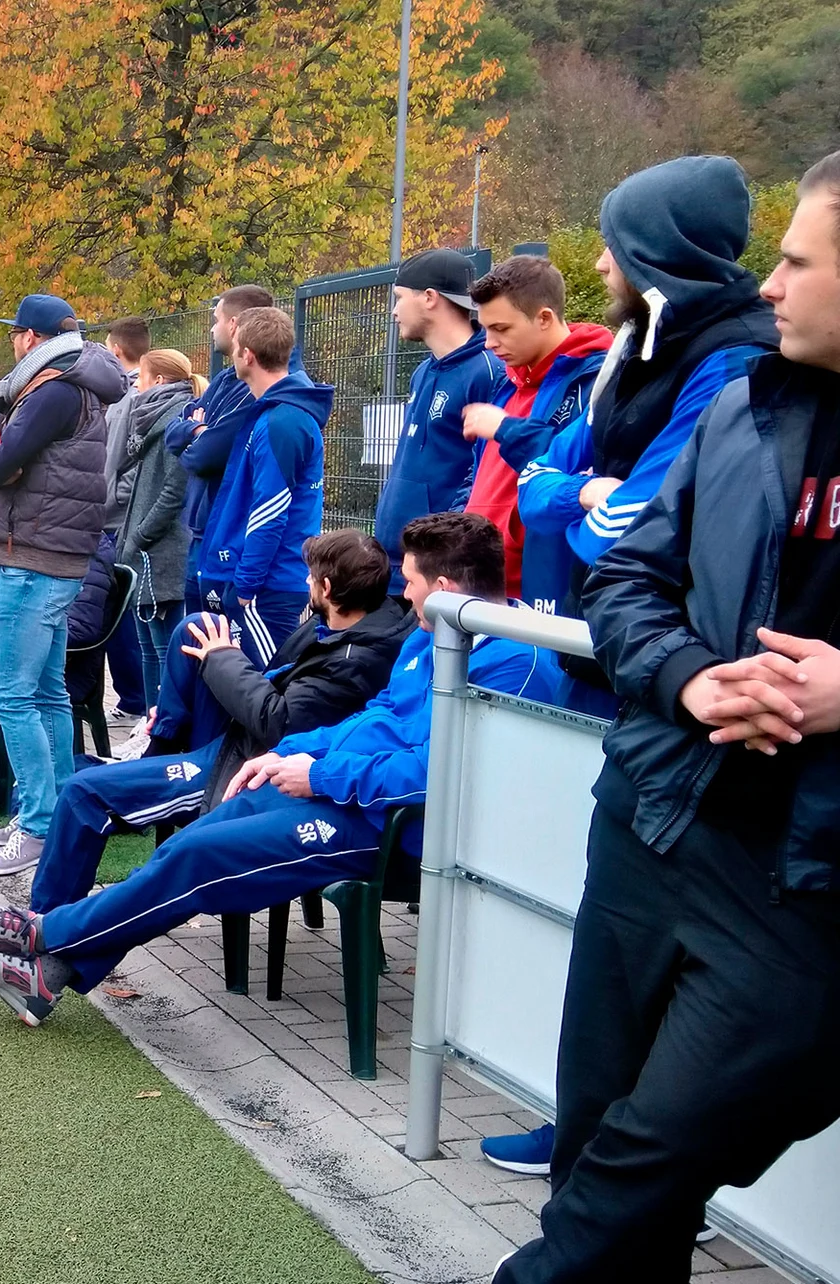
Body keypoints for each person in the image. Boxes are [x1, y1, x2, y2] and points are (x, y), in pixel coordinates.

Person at [492, 151, 840, 1284]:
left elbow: (588, 510)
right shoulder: (750, 405)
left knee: (644, 1165)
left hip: (801, 884)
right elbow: (627, 577)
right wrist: (691, 678)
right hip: (652, 814)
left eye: (796, 261)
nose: (770, 286)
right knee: (597, 1139)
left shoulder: (722, 369)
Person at [0, 512, 559, 1026]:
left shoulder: (512, 661)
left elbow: (439, 774)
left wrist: (319, 775)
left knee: (199, 859)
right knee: (197, 838)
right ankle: (48, 972)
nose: (404, 596)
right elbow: (375, 719)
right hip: (348, 793)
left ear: (448, 585)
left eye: (412, 583)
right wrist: (297, 755)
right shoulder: (439, 630)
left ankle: (40, 938)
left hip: (400, 828)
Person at [0, 529, 410, 878]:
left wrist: (224, 659)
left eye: (311, 578)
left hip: (249, 765)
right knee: (198, 627)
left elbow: (280, 722)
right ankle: (159, 738)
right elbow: (274, 690)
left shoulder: (357, 656)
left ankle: (50, 925)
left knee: (81, 789)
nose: (305, 583)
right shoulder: (329, 625)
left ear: (328, 588)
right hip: (237, 743)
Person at [514, 154, 779, 718]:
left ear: (656, 253)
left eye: (615, 244)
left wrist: (581, 503)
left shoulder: (735, 357)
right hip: (602, 644)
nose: (601, 263)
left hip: (672, 664)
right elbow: (535, 481)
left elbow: (631, 527)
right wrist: (582, 491)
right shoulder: (633, 344)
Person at [0, 294, 128, 872]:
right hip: (51, 555)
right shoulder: (78, 386)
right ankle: (57, 815)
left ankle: (36, 827)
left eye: (15, 333)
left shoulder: (53, 390)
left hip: (33, 556)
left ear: (30, 339)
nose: (12, 342)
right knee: (47, 693)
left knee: (11, 693)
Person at [457, 257, 612, 607]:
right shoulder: (508, 383)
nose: (489, 343)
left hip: (540, 589)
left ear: (544, 318)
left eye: (501, 329)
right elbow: (482, 476)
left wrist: (506, 429)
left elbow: (574, 465)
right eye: (485, 329)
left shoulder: (596, 382)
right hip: (480, 581)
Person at [0, 541, 120, 815]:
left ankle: (13, 769)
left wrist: (5, 644)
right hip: (17, 656)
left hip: (56, 669)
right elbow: (20, 616)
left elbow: (80, 627)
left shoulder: (84, 554)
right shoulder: (46, 548)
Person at [195, 307, 330, 667]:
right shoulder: (272, 412)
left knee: (264, 689)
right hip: (262, 581)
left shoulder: (282, 420)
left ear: (247, 355)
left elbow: (270, 510)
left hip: (267, 587)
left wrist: (245, 586)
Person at [372, 249, 506, 593]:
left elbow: (484, 474)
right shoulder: (423, 371)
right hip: (396, 563)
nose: (394, 311)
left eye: (400, 298)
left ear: (430, 298)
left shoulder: (488, 371)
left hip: (438, 572)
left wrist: (439, 545)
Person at [167, 286, 298, 616]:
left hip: (235, 546)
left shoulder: (274, 401)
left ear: (236, 327)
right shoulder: (227, 379)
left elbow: (206, 455)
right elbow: (175, 434)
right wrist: (197, 430)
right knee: (195, 648)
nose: (213, 328)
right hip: (206, 534)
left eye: (216, 319)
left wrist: (246, 585)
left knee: (230, 655)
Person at [116, 349, 206, 701]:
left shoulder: (174, 419)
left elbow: (174, 489)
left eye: (140, 377)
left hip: (162, 551)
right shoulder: (155, 417)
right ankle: (149, 724)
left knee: (163, 649)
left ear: (159, 381)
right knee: (147, 645)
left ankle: (163, 725)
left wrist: (140, 534)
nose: (135, 385)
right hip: (148, 551)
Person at [101, 317, 153, 722]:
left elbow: (117, 460)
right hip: (128, 512)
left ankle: (136, 699)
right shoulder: (141, 394)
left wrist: (112, 498)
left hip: (118, 518)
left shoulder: (127, 398)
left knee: (122, 611)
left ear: (116, 350)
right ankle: (137, 698)